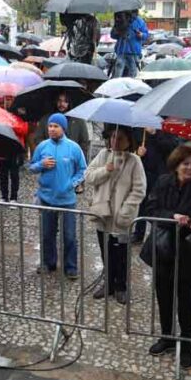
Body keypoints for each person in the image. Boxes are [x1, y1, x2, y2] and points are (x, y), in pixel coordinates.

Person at [145, 145, 191, 367]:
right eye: (185, 163)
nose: (190, 168)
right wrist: (172, 216)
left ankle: (187, 343)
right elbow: (151, 209)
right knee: (163, 294)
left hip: (188, 250)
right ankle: (167, 336)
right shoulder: (163, 182)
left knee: (186, 299)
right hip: (164, 248)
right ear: (176, 165)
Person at [84, 127, 146, 304]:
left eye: (120, 138)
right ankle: (109, 284)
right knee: (106, 251)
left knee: (121, 254)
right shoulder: (103, 155)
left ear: (128, 141)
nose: (115, 141)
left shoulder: (134, 161)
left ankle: (121, 286)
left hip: (122, 219)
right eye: (113, 137)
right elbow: (88, 176)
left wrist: (126, 211)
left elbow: (139, 189)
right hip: (103, 215)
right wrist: (106, 170)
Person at [29, 113, 87, 279]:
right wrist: (41, 164)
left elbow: (83, 170)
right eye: (50, 126)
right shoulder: (42, 146)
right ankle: (48, 263)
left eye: (56, 126)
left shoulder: (74, 148)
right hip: (46, 198)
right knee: (47, 234)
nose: (52, 129)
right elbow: (31, 167)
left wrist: (72, 184)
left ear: (63, 128)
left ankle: (71, 267)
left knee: (69, 235)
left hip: (67, 200)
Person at [32, 92, 90, 161]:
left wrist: (78, 158)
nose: (62, 104)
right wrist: (49, 148)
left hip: (71, 160)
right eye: (59, 101)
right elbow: (38, 138)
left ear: (69, 103)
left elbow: (84, 142)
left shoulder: (78, 120)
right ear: (55, 102)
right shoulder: (46, 119)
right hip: (51, 159)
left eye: (65, 101)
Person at [111, 10, 148, 78]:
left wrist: (141, 34)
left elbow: (146, 35)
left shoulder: (139, 21)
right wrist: (119, 32)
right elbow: (113, 35)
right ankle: (116, 84)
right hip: (121, 50)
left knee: (133, 73)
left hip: (133, 51)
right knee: (118, 72)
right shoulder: (120, 18)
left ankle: (130, 84)